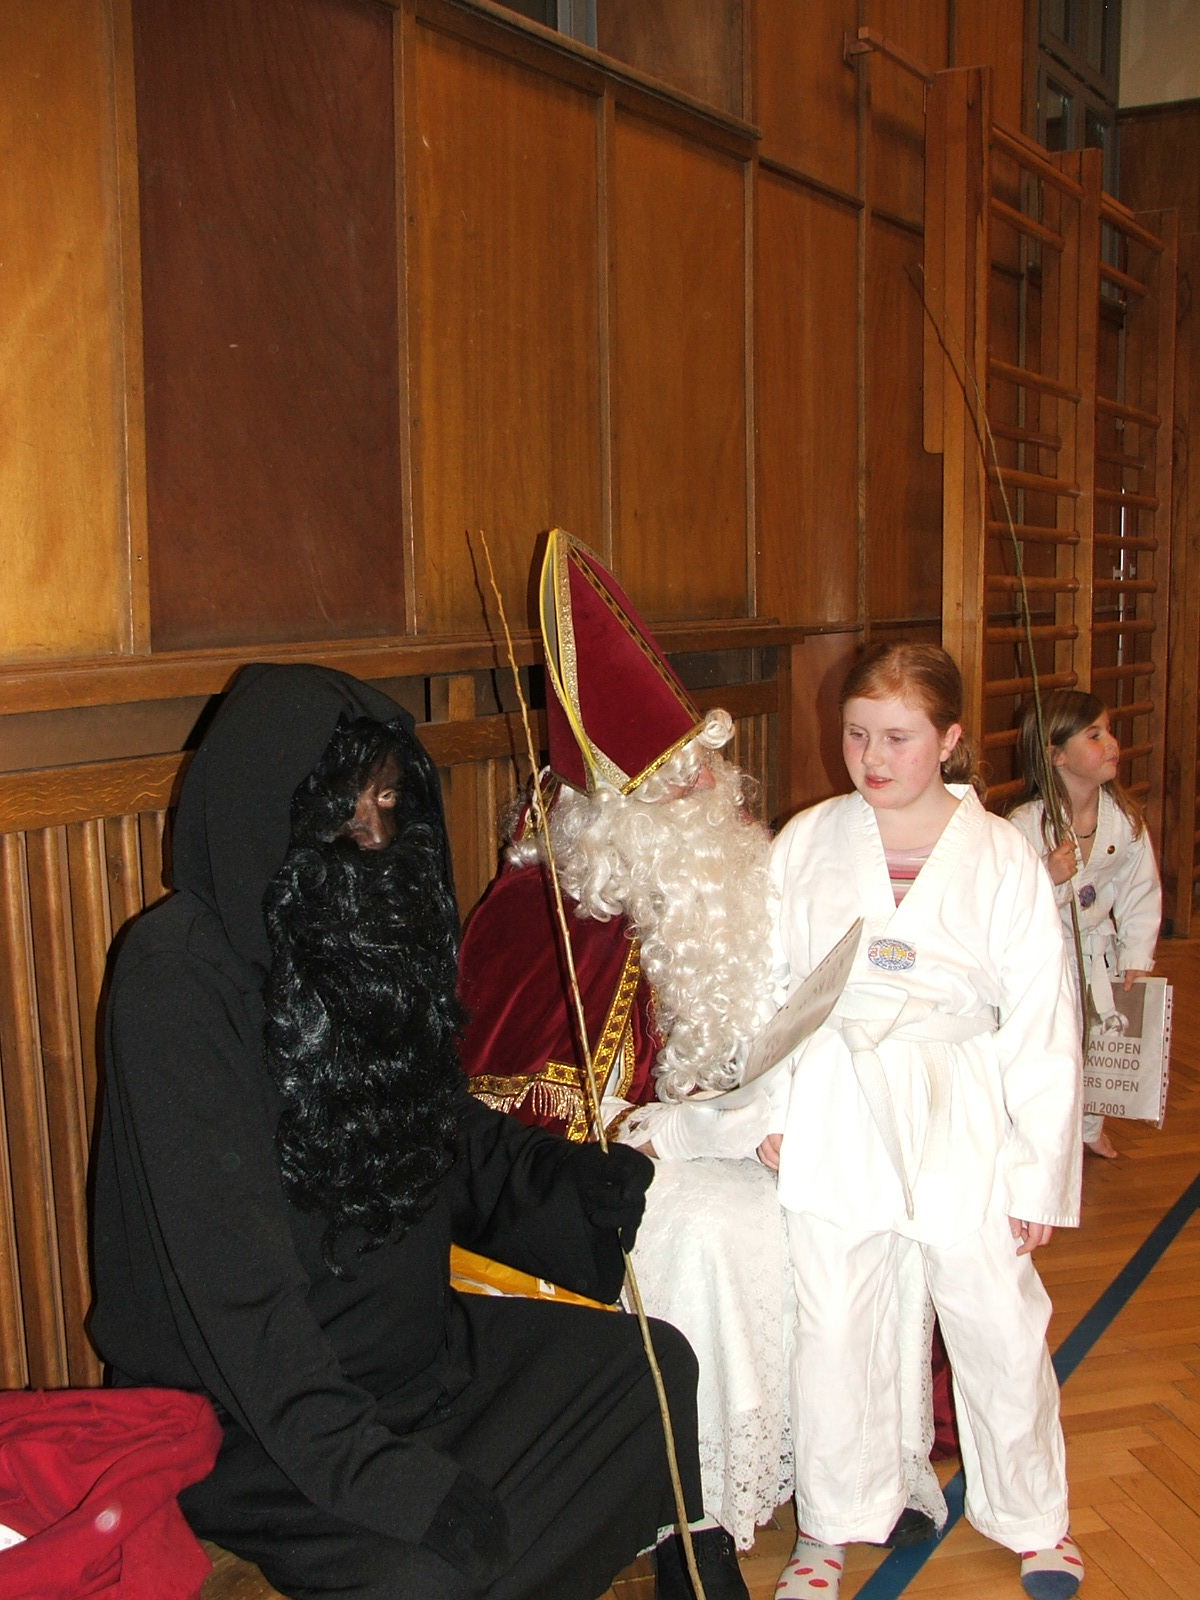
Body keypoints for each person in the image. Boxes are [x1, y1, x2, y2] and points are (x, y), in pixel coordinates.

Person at [90, 661, 748, 1600]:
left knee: (651, 1372)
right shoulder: (177, 977)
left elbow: (433, 1131)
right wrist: (384, 1482)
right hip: (249, 1415)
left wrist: (566, 1186)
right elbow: (237, 1299)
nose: (374, 835)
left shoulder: (365, 936)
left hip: (417, 1361)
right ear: (266, 806)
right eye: (343, 809)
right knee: (418, 1572)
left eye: (389, 801)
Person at [458, 532, 948, 1562]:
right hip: (624, 1166)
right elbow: (518, 1120)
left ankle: (863, 1469)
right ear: (612, 817)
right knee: (726, 1232)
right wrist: (661, 1132)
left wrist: (791, 1117)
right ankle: (702, 1501)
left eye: (701, 767)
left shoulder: (745, 876)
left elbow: (797, 1014)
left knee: (873, 1196)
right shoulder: (536, 915)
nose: (708, 792)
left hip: (757, 1127)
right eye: (677, 782)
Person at [759, 643, 1084, 1600]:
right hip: (837, 1092)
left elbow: (1043, 1019)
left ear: (948, 740)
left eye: (898, 738)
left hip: (961, 1095)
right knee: (834, 1319)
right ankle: (831, 1522)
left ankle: (1033, 1516)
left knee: (996, 1316)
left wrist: (1037, 1174)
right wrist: (771, 1107)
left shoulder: (1002, 856)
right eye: (857, 734)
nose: (872, 757)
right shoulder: (808, 841)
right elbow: (769, 989)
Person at [1010, 689, 1163, 1159]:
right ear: (1056, 755)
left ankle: (1089, 1125)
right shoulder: (1025, 825)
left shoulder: (1125, 821)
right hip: (1044, 957)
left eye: (1108, 731)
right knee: (1050, 1046)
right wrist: (1047, 875)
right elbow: (1005, 900)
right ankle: (1039, 1132)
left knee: (1098, 1043)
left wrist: (1136, 955)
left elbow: (1140, 891)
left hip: (1098, 952)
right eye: (1094, 735)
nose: (1112, 743)